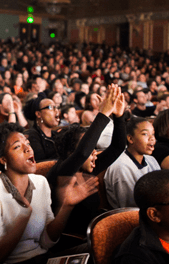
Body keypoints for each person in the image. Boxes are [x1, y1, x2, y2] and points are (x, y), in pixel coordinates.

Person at [0, 122, 98, 264]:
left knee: (101, 246)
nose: (28, 148)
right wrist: (22, 218)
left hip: (44, 258)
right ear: (3, 160)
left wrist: (66, 207)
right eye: (17, 147)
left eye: (27, 143)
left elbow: (46, 242)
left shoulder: (40, 183)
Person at [46, 84, 126, 236]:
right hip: (68, 241)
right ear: (71, 152)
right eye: (91, 149)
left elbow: (117, 147)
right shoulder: (62, 171)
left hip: (91, 236)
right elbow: (82, 153)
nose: (94, 153)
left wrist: (119, 116)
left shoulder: (90, 167)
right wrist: (103, 114)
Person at [105, 116, 160, 208]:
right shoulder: (121, 167)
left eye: (153, 134)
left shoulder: (152, 160)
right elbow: (130, 207)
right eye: (145, 134)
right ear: (130, 139)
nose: (152, 138)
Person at [23, 93, 60, 162]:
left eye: (56, 107)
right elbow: (41, 164)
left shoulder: (56, 135)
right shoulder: (32, 136)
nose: (56, 111)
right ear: (38, 114)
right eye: (51, 107)